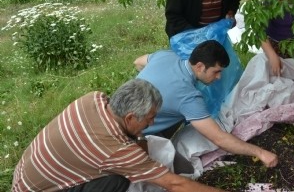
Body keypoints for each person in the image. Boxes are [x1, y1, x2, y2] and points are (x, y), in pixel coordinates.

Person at [11, 79, 225, 192]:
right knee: (118, 181)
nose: (152, 123)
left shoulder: (93, 98)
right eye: (149, 118)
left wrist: (139, 139)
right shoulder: (117, 151)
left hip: (25, 175)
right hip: (40, 189)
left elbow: (135, 144)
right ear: (130, 117)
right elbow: (174, 184)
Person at [133, 40, 278, 168]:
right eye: (216, 72)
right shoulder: (188, 98)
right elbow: (219, 138)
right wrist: (260, 153)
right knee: (182, 171)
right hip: (135, 137)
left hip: (122, 109)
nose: (219, 76)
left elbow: (138, 62)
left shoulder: (166, 55)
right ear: (200, 66)